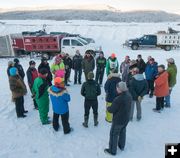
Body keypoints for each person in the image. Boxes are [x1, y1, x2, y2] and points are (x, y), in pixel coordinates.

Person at [104, 82, 132, 156]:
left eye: (117, 88)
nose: (116, 89)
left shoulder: (118, 99)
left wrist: (108, 108)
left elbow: (111, 110)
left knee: (114, 134)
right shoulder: (129, 95)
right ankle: (121, 146)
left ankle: (112, 150)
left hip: (118, 120)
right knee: (122, 132)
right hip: (126, 119)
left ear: (120, 89)